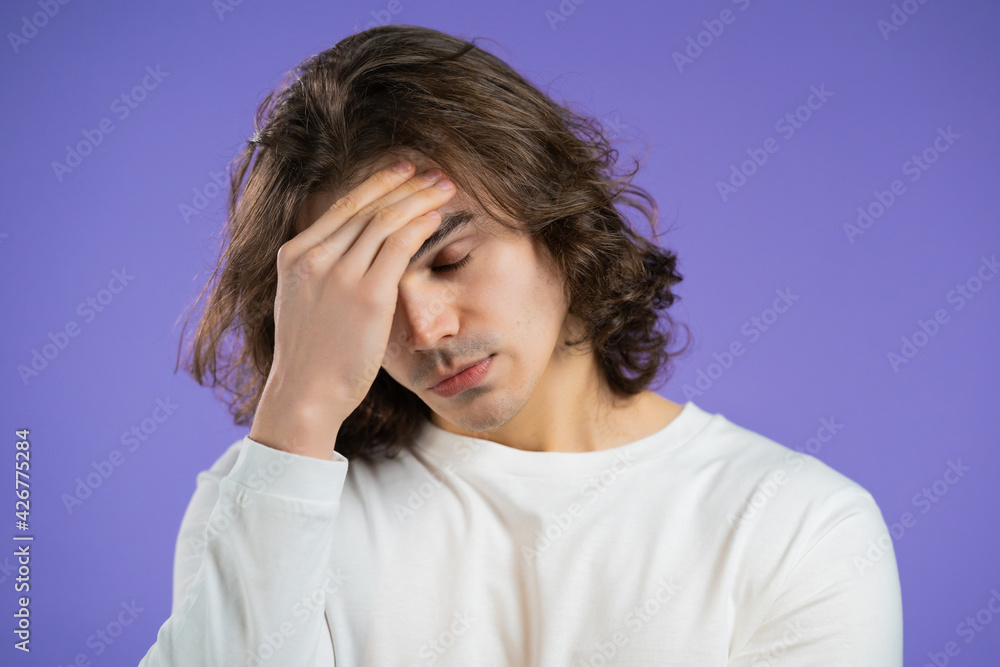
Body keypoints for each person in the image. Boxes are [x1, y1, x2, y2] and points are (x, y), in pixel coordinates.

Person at [140, 24, 903, 666]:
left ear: (555, 218)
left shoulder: (795, 523)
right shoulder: (270, 501)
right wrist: (299, 412)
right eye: (366, 298)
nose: (426, 330)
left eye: (451, 259)